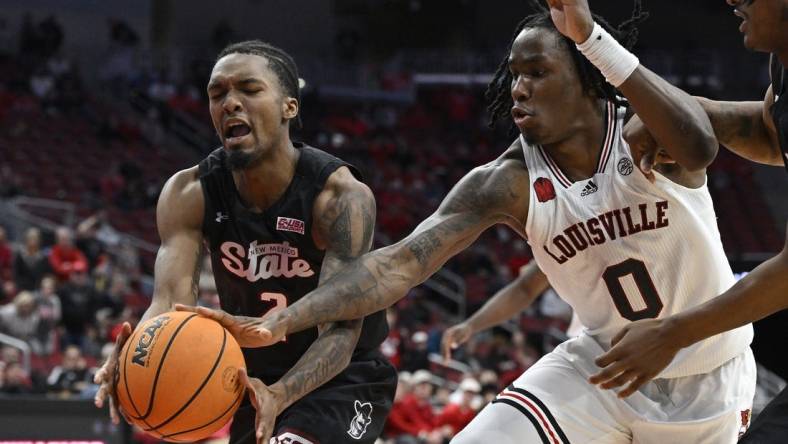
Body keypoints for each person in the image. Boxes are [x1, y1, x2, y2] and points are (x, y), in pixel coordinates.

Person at [181, 0, 757, 441]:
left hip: (705, 372)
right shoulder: (504, 181)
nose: (517, 87)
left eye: (536, 72)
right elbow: (398, 264)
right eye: (512, 75)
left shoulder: (645, 130)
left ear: (586, 75)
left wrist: (592, 37)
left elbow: (701, 146)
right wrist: (285, 322)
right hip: (601, 364)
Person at [93, 40, 397, 444]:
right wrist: (136, 360)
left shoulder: (339, 197)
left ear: (290, 106)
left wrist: (282, 394)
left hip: (341, 378)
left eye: (249, 90)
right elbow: (167, 304)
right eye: (217, 94)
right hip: (249, 379)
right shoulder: (189, 192)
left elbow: (341, 332)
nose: (230, 103)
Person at [588, 0, 788, 441]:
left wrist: (672, 334)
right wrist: (697, 112)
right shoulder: (784, 62)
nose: (733, 1)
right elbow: (772, 135)